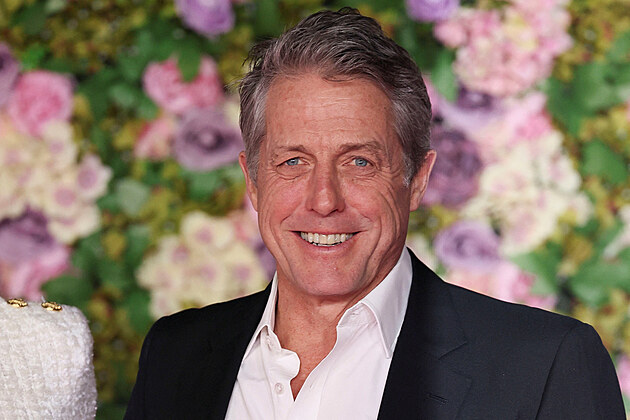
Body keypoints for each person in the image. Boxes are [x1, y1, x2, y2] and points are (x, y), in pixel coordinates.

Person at [125, 8, 624, 420]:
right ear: (253, 181)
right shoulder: (174, 355)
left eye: (359, 162)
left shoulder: (547, 366)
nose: (324, 200)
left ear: (417, 180)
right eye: (293, 162)